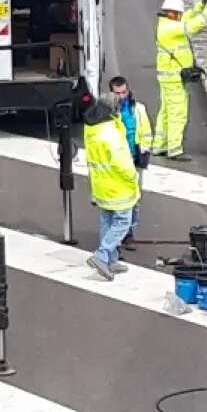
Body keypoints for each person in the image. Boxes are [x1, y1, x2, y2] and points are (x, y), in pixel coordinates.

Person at [81, 95, 140, 280]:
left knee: (107, 220)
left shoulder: (92, 129)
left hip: (101, 184)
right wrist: (133, 177)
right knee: (123, 222)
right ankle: (102, 255)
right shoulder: (110, 133)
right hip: (118, 185)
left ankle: (111, 260)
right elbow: (122, 161)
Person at [153, 0, 207, 161]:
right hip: (174, 78)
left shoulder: (167, 24)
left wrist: (201, 5)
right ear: (173, 13)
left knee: (166, 112)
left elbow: (187, 18)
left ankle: (160, 145)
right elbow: (193, 25)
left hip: (168, 77)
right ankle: (174, 149)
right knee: (177, 113)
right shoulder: (171, 29)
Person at [109, 76, 152, 247]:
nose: (121, 96)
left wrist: (145, 151)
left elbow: (146, 131)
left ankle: (129, 233)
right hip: (117, 161)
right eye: (117, 93)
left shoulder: (139, 109)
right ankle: (117, 232)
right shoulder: (108, 112)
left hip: (134, 159)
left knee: (135, 199)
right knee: (118, 200)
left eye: (124, 92)